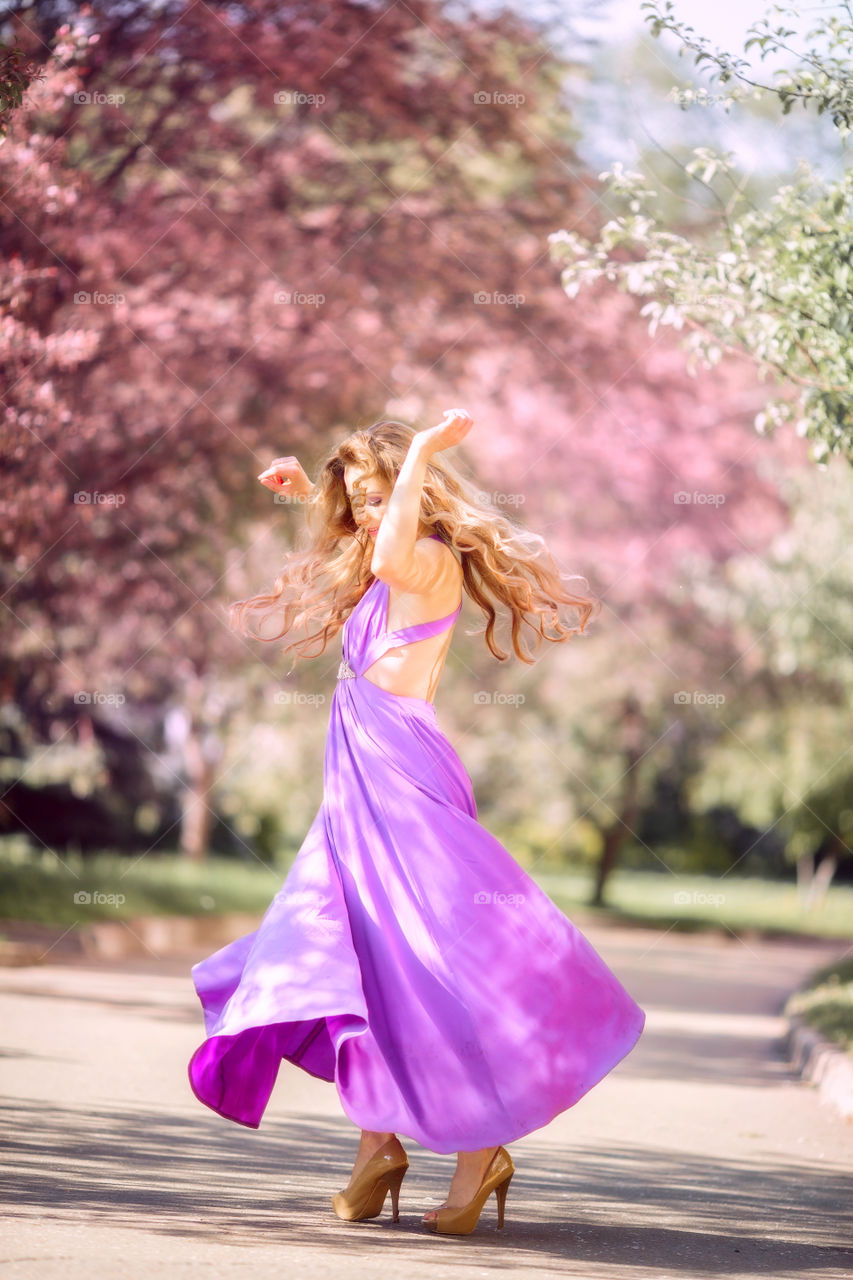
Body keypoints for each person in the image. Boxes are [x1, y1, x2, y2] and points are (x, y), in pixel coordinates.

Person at [187, 410, 646, 1236]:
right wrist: (309, 496)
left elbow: (394, 546)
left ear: (417, 491)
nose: (365, 511)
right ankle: (376, 1149)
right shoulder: (385, 568)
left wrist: (425, 450)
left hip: (403, 782)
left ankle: (479, 1156)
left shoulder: (427, 561)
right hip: (353, 791)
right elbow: (372, 544)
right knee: (359, 957)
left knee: (430, 963)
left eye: (377, 493)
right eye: (357, 498)